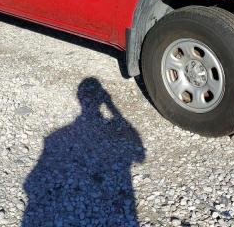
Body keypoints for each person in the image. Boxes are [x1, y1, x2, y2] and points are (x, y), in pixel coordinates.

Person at [22, 77, 145, 226]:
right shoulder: (56, 137)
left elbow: (30, 182)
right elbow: (139, 156)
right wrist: (111, 106)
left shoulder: (54, 138)